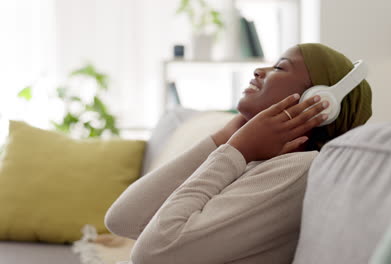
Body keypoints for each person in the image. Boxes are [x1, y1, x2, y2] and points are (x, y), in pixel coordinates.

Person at [105, 43, 372, 264]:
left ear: (319, 102)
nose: (258, 70)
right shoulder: (258, 160)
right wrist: (223, 140)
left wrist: (235, 150)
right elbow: (122, 219)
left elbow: (153, 254)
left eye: (279, 67)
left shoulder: (297, 169)